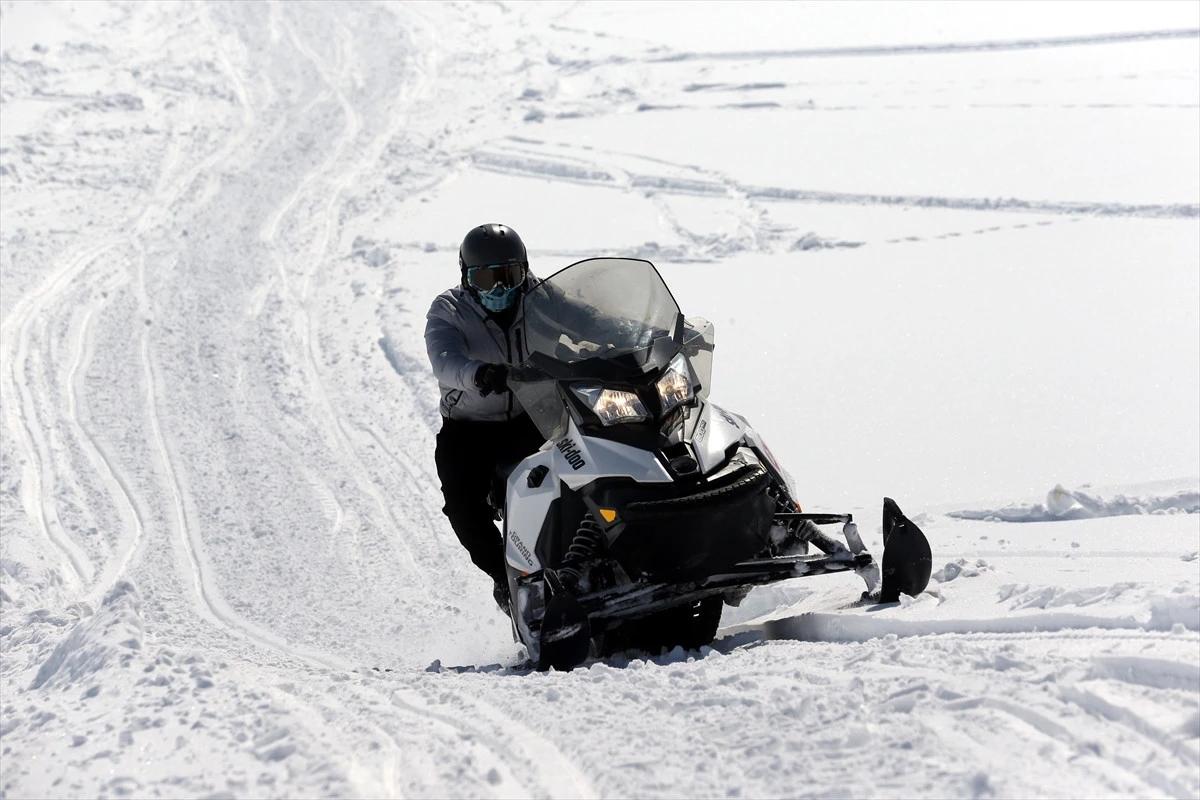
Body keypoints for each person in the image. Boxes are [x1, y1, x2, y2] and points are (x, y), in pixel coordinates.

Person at [424, 223, 546, 614]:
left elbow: (589, 318)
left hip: (535, 415)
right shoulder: (448, 309)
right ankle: (505, 577)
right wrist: (478, 374)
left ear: (524, 271)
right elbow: (444, 360)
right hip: (471, 426)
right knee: (462, 503)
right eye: (486, 278)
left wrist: (629, 334)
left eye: (508, 276)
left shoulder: (544, 297)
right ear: (466, 277)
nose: (499, 289)